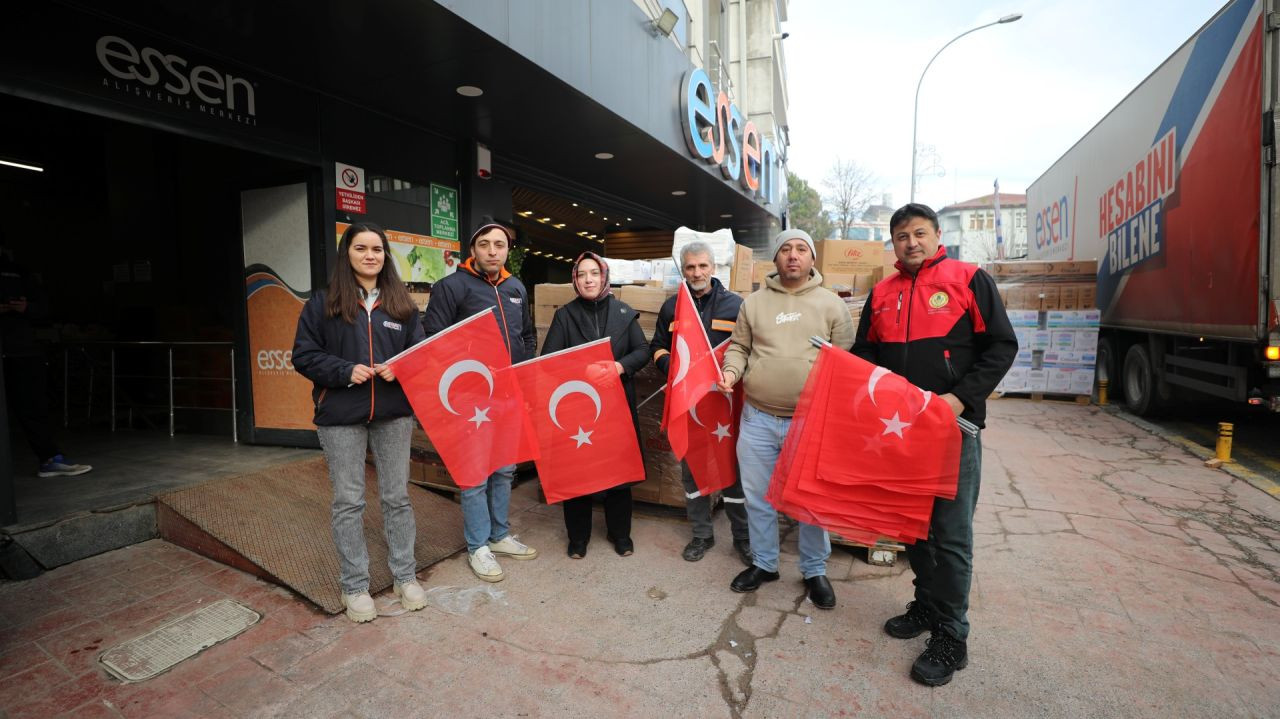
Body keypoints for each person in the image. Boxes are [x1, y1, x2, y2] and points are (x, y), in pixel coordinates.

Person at [852, 203, 1016, 686]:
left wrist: (960, 399)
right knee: (913, 527)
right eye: (902, 236)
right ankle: (925, 606)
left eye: (919, 233)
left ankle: (951, 635)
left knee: (951, 534)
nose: (911, 243)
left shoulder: (969, 278)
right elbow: (866, 354)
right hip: (900, 432)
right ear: (894, 243)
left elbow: (1002, 346)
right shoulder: (881, 292)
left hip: (952, 430)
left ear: (937, 235)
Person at [292, 222, 429, 623]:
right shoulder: (322, 303)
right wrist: (343, 370)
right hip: (341, 417)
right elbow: (303, 355)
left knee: (397, 498)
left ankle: (406, 576)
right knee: (349, 501)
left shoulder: (402, 304)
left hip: (392, 415)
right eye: (361, 248)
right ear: (346, 254)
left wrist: (399, 367)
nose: (370, 255)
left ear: (386, 256)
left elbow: (420, 354)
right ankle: (355, 585)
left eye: (377, 249)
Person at [719, 229, 854, 610]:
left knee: (809, 500)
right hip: (758, 418)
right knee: (759, 498)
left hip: (810, 421)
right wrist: (731, 372)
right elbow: (740, 347)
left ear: (812, 259)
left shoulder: (831, 306)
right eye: (785, 249)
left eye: (801, 249)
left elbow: (845, 362)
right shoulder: (754, 303)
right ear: (775, 259)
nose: (793, 255)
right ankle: (765, 563)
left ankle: (814, 570)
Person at [422, 219, 538, 582]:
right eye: (484, 244)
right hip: (471, 400)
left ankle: (499, 534)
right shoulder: (450, 287)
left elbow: (528, 336)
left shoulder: (516, 287)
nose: (492, 251)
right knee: (474, 475)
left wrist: (523, 371)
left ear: (507, 250)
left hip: (509, 395)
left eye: (499, 245)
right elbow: (433, 342)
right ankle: (478, 546)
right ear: (472, 249)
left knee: (504, 470)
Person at [541, 252, 649, 558]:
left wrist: (618, 367)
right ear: (575, 280)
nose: (588, 279)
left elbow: (642, 350)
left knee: (619, 473)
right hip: (577, 407)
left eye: (594, 273)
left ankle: (621, 535)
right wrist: (582, 372)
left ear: (604, 276)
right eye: (582, 275)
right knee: (578, 473)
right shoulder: (565, 315)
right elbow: (548, 361)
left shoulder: (624, 312)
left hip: (616, 408)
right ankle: (578, 538)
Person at [650, 241, 751, 565]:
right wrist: (674, 369)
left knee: (733, 474)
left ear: (714, 268)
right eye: (691, 267)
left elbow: (749, 351)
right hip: (689, 406)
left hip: (726, 405)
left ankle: (743, 539)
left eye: (703, 266)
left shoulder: (736, 306)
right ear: (683, 269)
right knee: (692, 473)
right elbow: (658, 348)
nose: (697, 273)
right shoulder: (672, 308)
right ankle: (701, 535)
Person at [0, 244, 91, 477]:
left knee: (33, 407)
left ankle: (50, 458)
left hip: (22, 349)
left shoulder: (18, 272)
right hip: (14, 348)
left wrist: (26, 307)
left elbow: (44, 307)